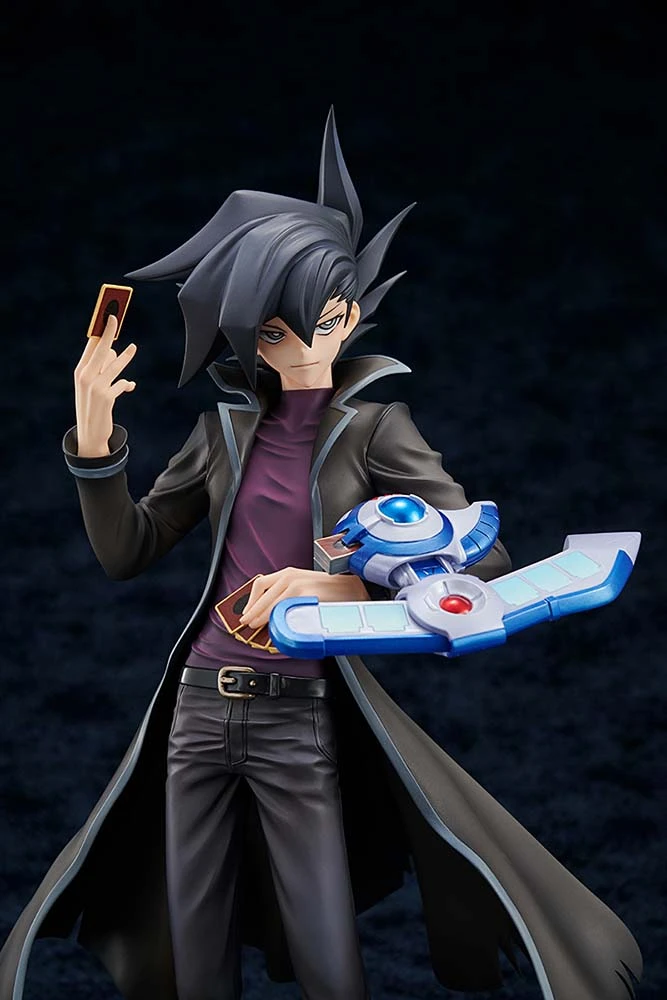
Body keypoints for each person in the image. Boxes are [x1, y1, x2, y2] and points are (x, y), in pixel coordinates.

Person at [0, 110, 642, 1000]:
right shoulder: (220, 432)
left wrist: (337, 583)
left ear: (348, 315)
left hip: (296, 714)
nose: (300, 347)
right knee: (194, 948)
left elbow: (480, 565)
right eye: (271, 332)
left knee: (324, 947)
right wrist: (95, 437)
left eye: (320, 320)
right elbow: (125, 551)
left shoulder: (377, 428)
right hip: (196, 710)